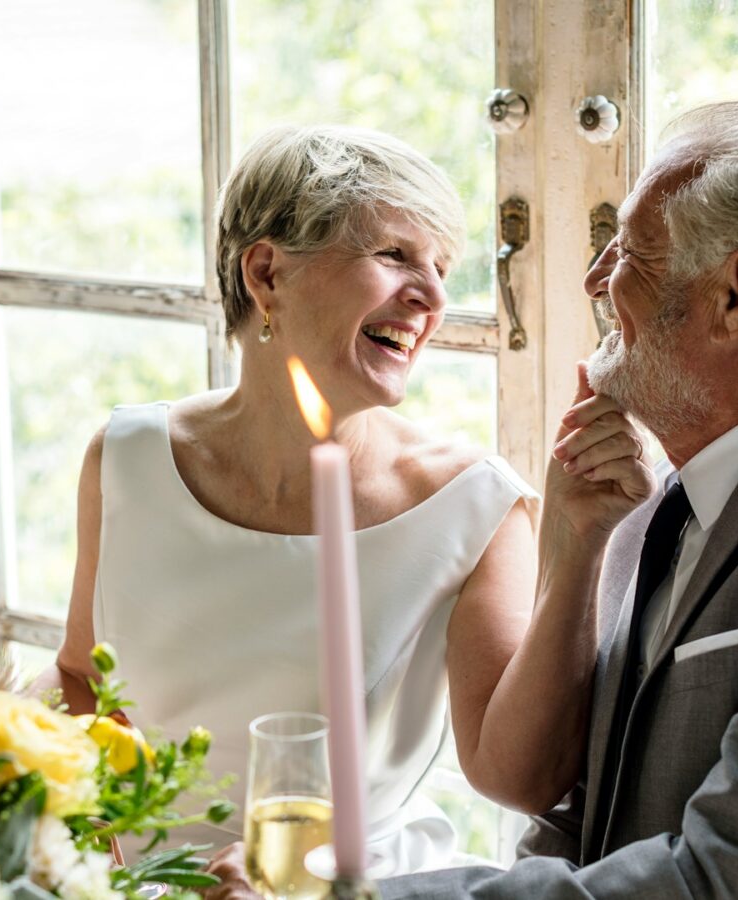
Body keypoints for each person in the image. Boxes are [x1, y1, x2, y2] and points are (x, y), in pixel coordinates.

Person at [207, 98, 738, 897]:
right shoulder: (652, 508)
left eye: (629, 251)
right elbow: (575, 826)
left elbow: (723, 877)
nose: (596, 279)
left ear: (737, 294)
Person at [36, 125, 629, 872]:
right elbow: (81, 680)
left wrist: (579, 550)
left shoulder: (472, 505)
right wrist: (84, 838)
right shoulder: (125, 458)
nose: (435, 297)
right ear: (266, 274)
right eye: (394, 255)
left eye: (442, 268)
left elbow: (518, 778)